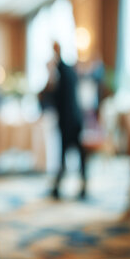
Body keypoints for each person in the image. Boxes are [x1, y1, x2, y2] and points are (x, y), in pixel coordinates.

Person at [45, 42, 86, 200]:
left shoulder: (60, 71)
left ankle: (61, 187)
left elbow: (51, 96)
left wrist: (50, 74)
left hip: (69, 120)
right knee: (75, 155)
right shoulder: (69, 70)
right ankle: (64, 187)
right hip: (74, 118)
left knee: (68, 155)